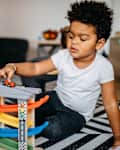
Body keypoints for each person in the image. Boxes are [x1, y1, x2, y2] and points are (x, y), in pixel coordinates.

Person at [0, 1, 120, 149]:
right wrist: (14, 66)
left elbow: (110, 103)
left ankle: (36, 123)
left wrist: (118, 139)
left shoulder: (104, 67)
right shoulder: (63, 55)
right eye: (71, 36)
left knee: (53, 129)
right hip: (56, 98)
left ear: (99, 43)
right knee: (30, 106)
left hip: (77, 113)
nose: (74, 42)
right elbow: (36, 68)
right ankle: (19, 118)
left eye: (82, 39)